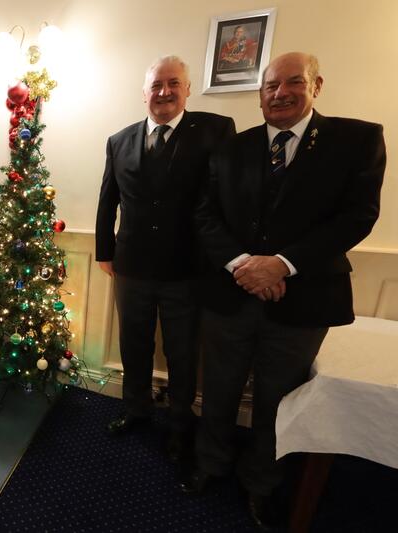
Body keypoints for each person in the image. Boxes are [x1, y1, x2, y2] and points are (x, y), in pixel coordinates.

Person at [184, 52, 385, 529]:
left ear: (317, 85)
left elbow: (357, 216)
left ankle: (262, 484)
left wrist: (282, 265)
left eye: (293, 82)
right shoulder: (232, 147)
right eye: (270, 86)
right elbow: (205, 214)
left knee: (279, 401)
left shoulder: (356, 140)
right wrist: (244, 266)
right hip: (231, 293)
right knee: (218, 389)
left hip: (305, 300)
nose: (279, 93)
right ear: (260, 95)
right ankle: (210, 462)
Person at [95, 56, 235, 463]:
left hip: (188, 269)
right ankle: (136, 409)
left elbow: (227, 198)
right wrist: (104, 252)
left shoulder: (215, 131)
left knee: (182, 351)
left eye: (174, 83)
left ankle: (179, 424)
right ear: (144, 93)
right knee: (134, 345)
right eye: (156, 85)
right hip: (131, 266)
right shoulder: (119, 140)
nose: (164, 92)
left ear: (188, 89)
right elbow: (108, 200)